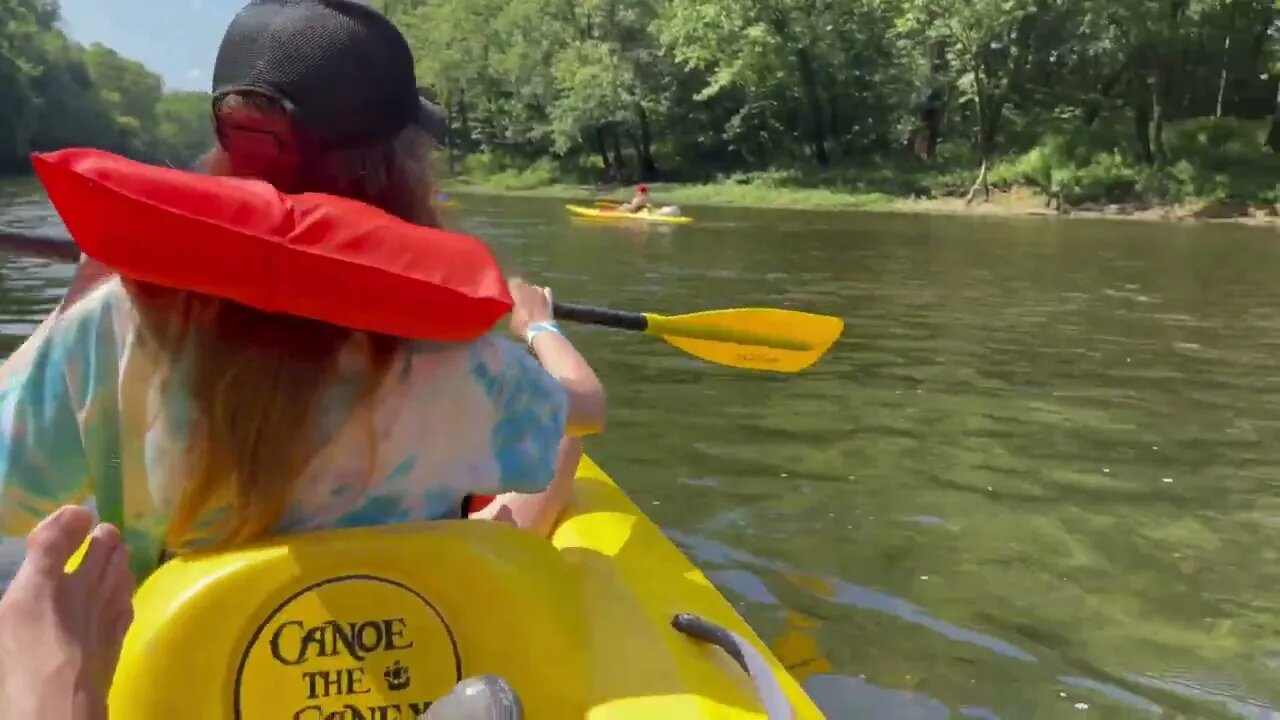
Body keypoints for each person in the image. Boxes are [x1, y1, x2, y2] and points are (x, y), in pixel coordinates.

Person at [0, 0, 605, 715]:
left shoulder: (110, 329)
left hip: (183, 678)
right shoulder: (459, 355)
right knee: (555, 454)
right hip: (417, 657)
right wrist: (537, 327)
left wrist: (81, 297)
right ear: (403, 160)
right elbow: (585, 407)